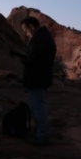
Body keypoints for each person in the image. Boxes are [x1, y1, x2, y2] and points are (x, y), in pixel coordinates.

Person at [20, 16, 57, 145]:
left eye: (26, 30)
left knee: (38, 108)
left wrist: (24, 59)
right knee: (38, 106)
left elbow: (35, 60)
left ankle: (42, 136)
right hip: (42, 77)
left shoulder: (39, 39)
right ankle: (39, 133)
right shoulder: (45, 37)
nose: (26, 33)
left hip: (37, 78)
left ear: (31, 26)